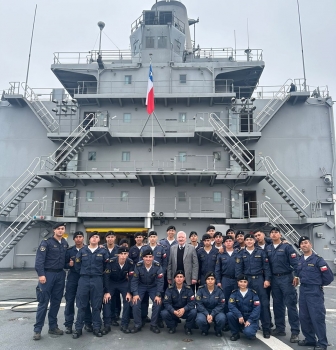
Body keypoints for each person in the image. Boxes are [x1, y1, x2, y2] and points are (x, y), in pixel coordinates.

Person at [297, 236, 334, 350]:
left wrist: (318, 284)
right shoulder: (300, 259)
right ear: (300, 247)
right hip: (303, 290)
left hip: (314, 291)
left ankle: (322, 343)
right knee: (304, 317)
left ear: (311, 245)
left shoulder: (318, 259)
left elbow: (329, 277)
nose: (304, 245)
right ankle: (310, 339)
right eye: (302, 243)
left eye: (306, 243)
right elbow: (297, 272)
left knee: (317, 317)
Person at [33, 222, 69, 341]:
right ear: (54, 230)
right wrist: (41, 274)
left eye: (62, 229)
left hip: (60, 274)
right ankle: (37, 330)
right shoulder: (46, 243)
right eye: (58, 228)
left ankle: (53, 327)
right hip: (48, 275)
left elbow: (64, 261)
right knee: (43, 302)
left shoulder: (64, 243)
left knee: (56, 302)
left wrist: (69, 264)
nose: (60, 231)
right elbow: (39, 260)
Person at [72, 232, 109, 339]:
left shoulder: (103, 251)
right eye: (92, 237)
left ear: (99, 240)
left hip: (97, 279)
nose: (94, 238)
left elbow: (106, 267)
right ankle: (78, 328)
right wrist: (85, 273)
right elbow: (77, 266)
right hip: (84, 279)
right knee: (81, 306)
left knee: (96, 306)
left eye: (96, 237)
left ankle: (97, 328)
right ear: (89, 239)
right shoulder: (82, 251)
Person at [266, 227, 300, 342]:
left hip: (286, 278)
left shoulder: (287, 247)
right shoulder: (268, 248)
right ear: (269, 235)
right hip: (275, 279)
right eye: (272, 232)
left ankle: (295, 332)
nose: (274, 234)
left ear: (280, 234)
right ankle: (280, 328)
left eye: (276, 232)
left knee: (291, 304)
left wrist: (296, 275)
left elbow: (295, 263)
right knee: (277, 305)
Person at [235, 233, 272, 338]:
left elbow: (266, 267)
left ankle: (266, 328)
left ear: (254, 241)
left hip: (259, 280)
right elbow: (238, 270)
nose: (249, 241)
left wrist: (267, 280)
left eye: (251, 240)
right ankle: (247, 325)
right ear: (245, 242)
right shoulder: (241, 253)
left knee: (264, 304)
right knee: (246, 304)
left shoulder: (261, 252)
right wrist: (240, 282)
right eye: (247, 240)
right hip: (246, 281)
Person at [64, 231, 92, 334]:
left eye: (81, 237)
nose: (79, 239)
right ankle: (68, 324)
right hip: (73, 277)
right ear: (74, 239)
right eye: (77, 237)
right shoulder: (70, 251)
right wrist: (69, 265)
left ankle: (88, 323)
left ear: (83, 238)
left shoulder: (88, 250)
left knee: (85, 301)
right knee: (70, 301)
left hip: (84, 278)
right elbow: (64, 264)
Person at [131, 247, 164, 334]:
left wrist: (158, 294)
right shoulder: (138, 265)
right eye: (146, 257)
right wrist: (135, 293)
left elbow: (160, 281)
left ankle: (153, 324)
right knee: (135, 303)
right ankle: (137, 324)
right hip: (141, 286)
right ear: (143, 258)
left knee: (157, 303)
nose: (148, 259)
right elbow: (134, 280)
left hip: (153, 286)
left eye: (150, 257)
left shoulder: (157, 265)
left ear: (153, 257)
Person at [103, 246, 134, 334]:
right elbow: (106, 277)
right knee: (107, 300)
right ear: (118, 254)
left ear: (128, 254)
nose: (123, 256)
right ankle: (107, 325)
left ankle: (124, 324)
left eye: (125, 254)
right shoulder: (111, 261)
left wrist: (129, 292)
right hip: (111, 282)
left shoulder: (130, 262)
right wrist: (107, 291)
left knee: (128, 300)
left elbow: (131, 278)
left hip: (123, 282)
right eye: (121, 254)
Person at [140, 230, 167, 328]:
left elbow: (164, 263)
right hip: (145, 278)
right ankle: (143, 317)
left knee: (158, 300)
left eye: (154, 236)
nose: (152, 238)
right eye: (151, 236)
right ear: (149, 238)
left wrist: (161, 273)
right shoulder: (144, 248)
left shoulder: (161, 248)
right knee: (144, 301)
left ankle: (158, 319)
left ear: (157, 238)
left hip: (157, 279)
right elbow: (140, 262)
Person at [161, 270, 197, 335]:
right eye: (177, 277)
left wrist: (184, 309)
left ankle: (188, 327)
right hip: (174, 311)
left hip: (185, 311)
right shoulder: (170, 289)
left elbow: (192, 302)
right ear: (174, 279)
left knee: (194, 312)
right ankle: (172, 326)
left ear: (184, 278)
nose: (179, 279)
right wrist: (173, 311)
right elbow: (166, 303)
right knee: (164, 313)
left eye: (181, 277)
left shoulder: (188, 289)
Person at [227, 274, 260, 341]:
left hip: (250, 317)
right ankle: (235, 333)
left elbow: (257, 308)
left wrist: (250, 320)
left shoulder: (253, 293)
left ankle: (247, 329)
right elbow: (231, 305)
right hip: (239, 317)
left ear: (247, 283)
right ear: (238, 283)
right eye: (241, 281)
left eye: (245, 282)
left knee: (249, 333)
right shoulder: (234, 293)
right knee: (229, 314)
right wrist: (239, 315)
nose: (243, 284)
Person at [195, 271, 226, 337]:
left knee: (222, 318)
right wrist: (207, 314)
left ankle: (218, 330)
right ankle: (205, 329)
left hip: (216, 312)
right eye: (208, 279)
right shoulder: (201, 290)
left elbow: (221, 304)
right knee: (199, 320)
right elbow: (199, 303)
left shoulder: (219, 290)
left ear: (215, 280)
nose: (210, 281)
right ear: (205, 280)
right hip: (204, 311)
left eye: (212, 279)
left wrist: (212, 314)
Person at [215, 235, 239, 317]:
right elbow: (217, 269)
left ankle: (236, 319)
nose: (228, 243)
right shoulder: (221, 254)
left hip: (236, 280)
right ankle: (226, 321)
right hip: (225, 279)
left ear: (233, 242)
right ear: (224, 243)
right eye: (226, 241)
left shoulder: (238, 253)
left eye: (230, 241)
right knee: (225, 300)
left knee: (236, 300)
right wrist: (218, 281)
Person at [102, 231, 120, 327]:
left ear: (115, 238)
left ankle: (113, 317)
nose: (110, 239)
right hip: (102, 277)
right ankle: (105, 317)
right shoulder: (101, 248)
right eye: (108, 237)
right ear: (106, 238)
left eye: (112, 237)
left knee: (113, 299)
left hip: (115, 277)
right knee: (102, 298)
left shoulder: (119, 249)